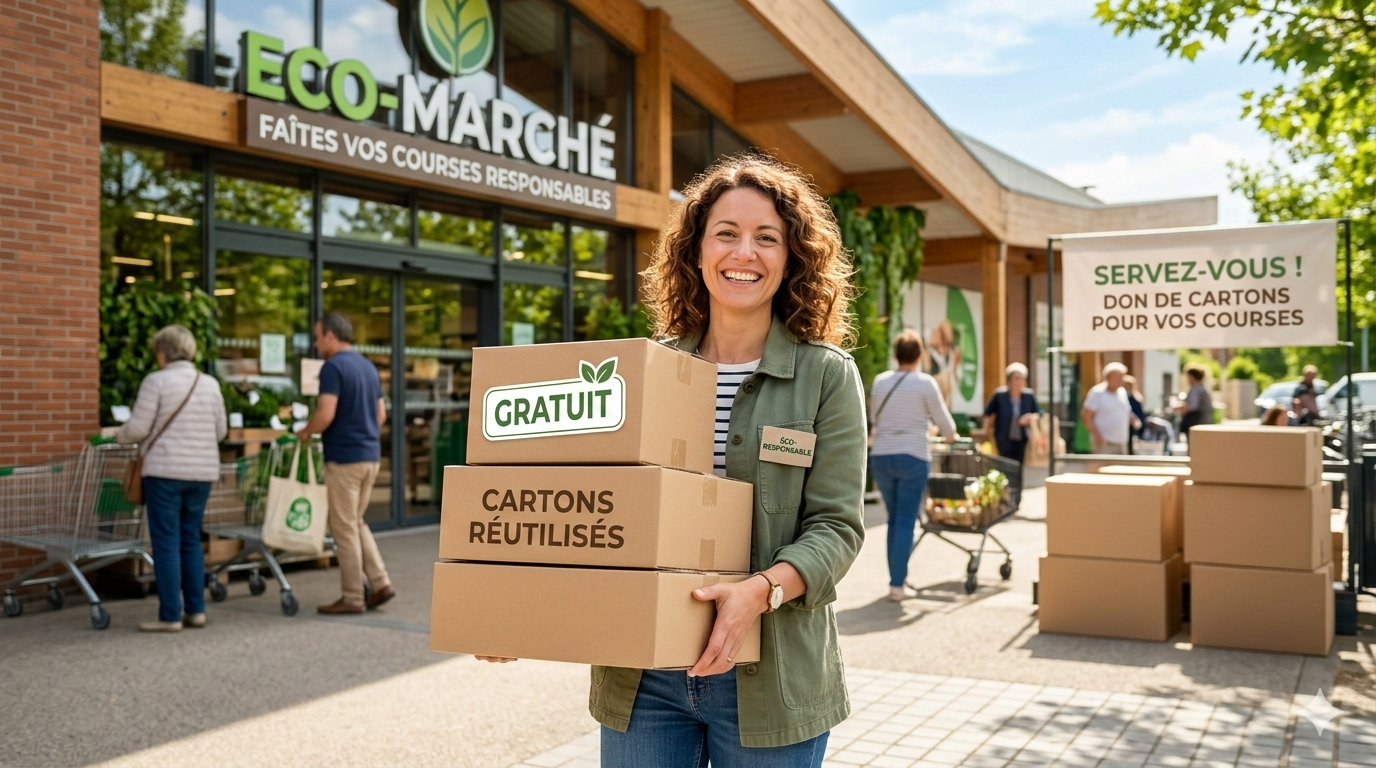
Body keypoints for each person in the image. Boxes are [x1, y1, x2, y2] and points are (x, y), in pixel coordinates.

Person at [479, 154, 868, 765]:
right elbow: (581, 507)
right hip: (645, 676)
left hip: (771, 677)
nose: (745, 252)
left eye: (767, 238)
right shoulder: (643, 373)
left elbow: (836, 528)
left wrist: (761, 591)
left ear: (791, 257)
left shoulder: (824, 376)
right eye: (726, 233)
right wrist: (517, 609)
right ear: (696, 251)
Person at [116, 325, 227, 632]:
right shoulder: (210, 384)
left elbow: (137, 428)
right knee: (190, 538)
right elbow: (221, 432)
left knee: (165, 542)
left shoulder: (156, 381)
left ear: (162, 353)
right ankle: (196, 610)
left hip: (164, 472)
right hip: (202, 473)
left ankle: (169, 616)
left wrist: (118, 435)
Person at [296, 312, 395, 615]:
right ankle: (380, 582)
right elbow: (381, 416)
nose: (315, 343)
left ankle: (353, 597)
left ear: (331, 336)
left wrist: (305, 431)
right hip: (371, 457)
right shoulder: (367, 367)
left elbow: (326, 413)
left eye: (318, 336)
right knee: (356, 521)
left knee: (343, 529)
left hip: (344, 460)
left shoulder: (333, 367)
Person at [872, 329, 956, 602]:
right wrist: (946, 435)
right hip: (913, 457)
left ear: (896, 355)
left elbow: (876, 417)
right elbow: (947, 425)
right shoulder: (925, 383)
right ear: (920, 356)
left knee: (893, 520)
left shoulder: (881, 382)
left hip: (882, 456)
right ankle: (898, 585)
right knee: (907, 521)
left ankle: (897, 578)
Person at [982, 362, 1040, 465]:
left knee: (1018, 465)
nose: (1019, 382)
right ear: (1009, 380)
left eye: (1022, 378)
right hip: (1003, 437)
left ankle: (1017, 482)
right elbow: (988, 413)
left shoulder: (1028, 396)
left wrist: (1029, 418)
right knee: (1005, 465)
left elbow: (1039, 413)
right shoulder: (1000, 395)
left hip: (1022, 438)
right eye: (1016, 378)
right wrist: (985, 433)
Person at [1082, 362, 1139, 455]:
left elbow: (1126, 411)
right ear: (1108, 378)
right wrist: (1098, 437)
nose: (1122, 380)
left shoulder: (1122, 392)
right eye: (1119, 377)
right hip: (1105, 443)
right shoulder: (1097, 393)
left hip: (1122, 442)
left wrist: (1135, 421)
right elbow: (1086, 416)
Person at [1176, 364, 1213, 436]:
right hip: (1203, 423)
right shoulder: (1201, 388)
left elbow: (1192, 406)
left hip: (1196, 424)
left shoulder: (1196, 388)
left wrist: (1178, 407)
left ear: (1192, 377)